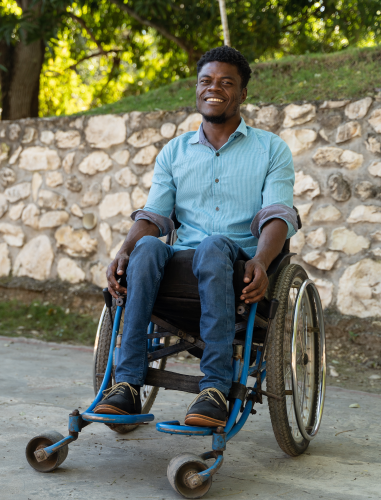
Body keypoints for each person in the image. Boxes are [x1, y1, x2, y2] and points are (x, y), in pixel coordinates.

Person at [93, 46, 298, 428]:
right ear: (197, 89)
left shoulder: (271, 149)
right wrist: (124, 251)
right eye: (206, 81)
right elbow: (154, 215)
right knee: (149, 247)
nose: (213, 88)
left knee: (214, 244)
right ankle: (126, 386)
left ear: (242, 94)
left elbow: (277, 215)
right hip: (180, 267)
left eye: (226, 82)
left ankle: (215, 389)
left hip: (236, 266)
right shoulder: (175, 151)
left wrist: (262, 262)